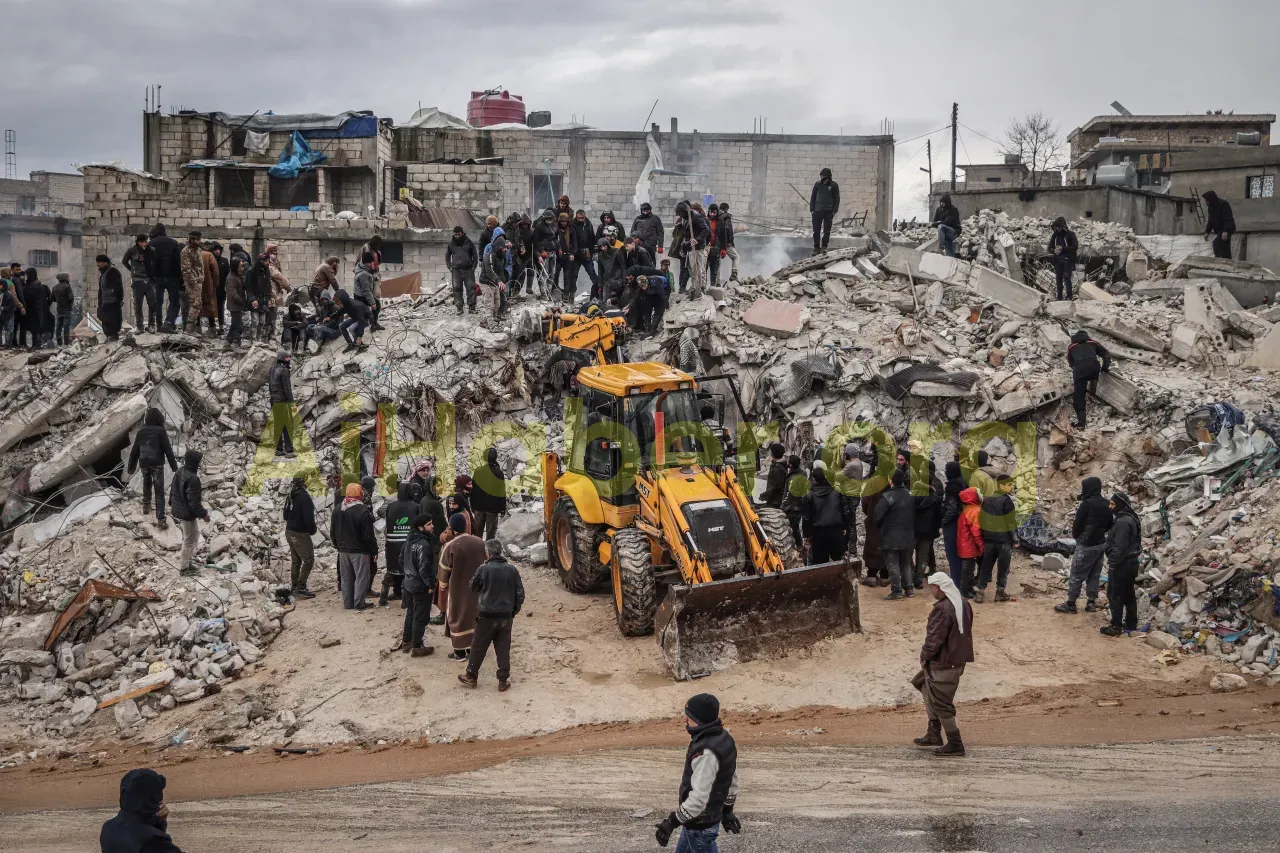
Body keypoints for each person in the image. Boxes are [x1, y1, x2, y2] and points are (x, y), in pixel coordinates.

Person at [653, 693, 741, 850]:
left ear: (701, 720)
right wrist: (727, 809)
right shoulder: (724, 738)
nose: (685, 720)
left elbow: (699, 799)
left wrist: (672, 822)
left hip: (700, 825)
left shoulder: (706, 754)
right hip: (697, 821)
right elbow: (731, 778)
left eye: (690, 717)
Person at [911, 572, 973, 757]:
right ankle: (933, 733)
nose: (932, 591)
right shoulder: (962, 602)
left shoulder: (943, 608)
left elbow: (934, 638)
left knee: (941, 702)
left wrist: (924, 656)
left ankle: (955, 743)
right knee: (924, 686)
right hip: (954, 660)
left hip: (944, 662)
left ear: (938, 587)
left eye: (932, 588)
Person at [458, 538, 525, 690]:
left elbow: (472, 586)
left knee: (478, 646)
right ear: (500, 551)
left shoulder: (483, 569)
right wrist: (513, 611)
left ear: (487, 553)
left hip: (486, 615)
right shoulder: (512, 570)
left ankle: (471, 675)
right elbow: (520, 594)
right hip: (505, 616)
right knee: (503, 647)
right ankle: (502, 680)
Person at [1055, 476, 1113, 615]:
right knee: (1094, 574)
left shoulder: (1086, 504)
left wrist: (1078, 537)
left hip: (1086, 544)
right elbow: (1110, 523)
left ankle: (1070, 603)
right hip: (1100, 543)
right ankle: (1091, 602)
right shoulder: (1106, 503)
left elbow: (1077, 524)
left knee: (1076, 574)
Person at [100, 767, 184, 853]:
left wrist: (158, 821)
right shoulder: (152, 839)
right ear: (153, 797)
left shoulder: (108, 828)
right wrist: (159, 822)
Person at [438, 513, 486, 660]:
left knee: (457, 618)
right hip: (478, 590)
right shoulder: (479, 542)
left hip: (457, 590)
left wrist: (443, 588)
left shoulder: (450, 546)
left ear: (452, 528)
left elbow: (443, 571)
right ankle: (473, 650)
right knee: (474, 617)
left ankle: (459, 653)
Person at [127, 407, 178, 528]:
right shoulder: (160, 431)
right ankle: (160, 518)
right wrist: (174, 467)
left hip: (144, 463)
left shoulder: (141, 431)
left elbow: (135, 450)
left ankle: (146, 506)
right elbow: (168, 450)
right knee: (159, 490)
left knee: (147, 483)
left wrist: (131, 467)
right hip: (157, 464)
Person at [1100, 492, 1142, 637]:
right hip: (1130, 563)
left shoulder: (1123, 522)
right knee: (1128, 594)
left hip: (1122, 564)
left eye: (1113, 504)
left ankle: (1115, 626)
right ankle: (1131, 624)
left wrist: (1113, 563)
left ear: (1120, 505)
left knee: (1115, 594)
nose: (1110, 507)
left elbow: (1120, 547)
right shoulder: (1130, 518)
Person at [873, 469, 916, 599]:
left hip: (891, 536)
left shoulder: (887, 497)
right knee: (906, 563)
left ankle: (896, 591)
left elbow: (877, 516)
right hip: (908, 535)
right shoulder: (910, 494)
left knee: (893, 564)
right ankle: (909, 589)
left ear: (890, 480)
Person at [333, 483, 376, 610]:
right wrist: (373, 551)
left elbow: (333, 531)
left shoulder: (338, 509)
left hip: (343, 550)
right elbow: (368, 535)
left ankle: (348, 603)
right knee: (361, 576)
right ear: (359, 494)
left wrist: (338, 545)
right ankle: (359, 603)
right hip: (359, 551)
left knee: (346, 577)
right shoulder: (363, 511)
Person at [973, 475, 1015, 603]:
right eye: (1009, 485)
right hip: (1004, 540)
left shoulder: (987, 499)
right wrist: (1016, 538)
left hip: (989, 538)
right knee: (1003, 567)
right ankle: (1000, 592)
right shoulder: (1007, 501)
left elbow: (982, 519)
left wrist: (984, 534)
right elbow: (1010, 522)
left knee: (986, 565)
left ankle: (980, 592)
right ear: (1001, 486)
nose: (1011, 487)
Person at [401, 514, 438, 656]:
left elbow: (400, 559)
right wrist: (431, 584)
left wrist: (408, 573)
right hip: (420, 586)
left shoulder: (409, 540)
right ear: (420, 527)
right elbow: (425, 569)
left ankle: (406, 641)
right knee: (420, 616)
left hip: (408, 583)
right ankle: (417, 646)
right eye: (429, 524)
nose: (432, 526)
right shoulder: (424, 545)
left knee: (410, 612)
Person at [169, 450, 208, 576]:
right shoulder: (193, 478)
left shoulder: (181, 470)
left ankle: (189, 560)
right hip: (186, 513)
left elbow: (173, 489)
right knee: (189, 540)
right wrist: (204, 514)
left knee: (195, 535)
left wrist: (172, 503)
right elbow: (194, 502)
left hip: (181, 509)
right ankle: (185, 568)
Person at [801, 468, 852, 564]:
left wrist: (806, 535)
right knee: (840, 560)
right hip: (836, 531)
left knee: (820, 562)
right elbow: (845, 511)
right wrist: (845, 527)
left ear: (814, 479)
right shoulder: (837, 491)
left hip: (818, 533)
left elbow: (806, 518)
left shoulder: (809, 496)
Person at [379, 482, 418, 607]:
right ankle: (405, 601)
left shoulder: (391, 506)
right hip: (408, 543)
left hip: (392, 543)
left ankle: (384, 596)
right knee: (408, 570)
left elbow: (383, 516)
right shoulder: (416, 507)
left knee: (392, 569)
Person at [1066, 330, 1111, 429]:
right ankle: (1093, 389)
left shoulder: (1071, 347)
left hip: (1080, 371)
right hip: (1094, 369)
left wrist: (1077, 367)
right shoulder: (1093, 343)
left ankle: (1081, 423)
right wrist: (1105, 368)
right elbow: (1106, 354)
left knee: (1079, 397)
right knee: (1093, 375)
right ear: (1086, 336)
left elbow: (1070, 362)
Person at [912, 460, 944, 592]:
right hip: (928, 529)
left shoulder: (914, 494)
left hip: (914, 528)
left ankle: (913, 576)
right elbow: (939, 512)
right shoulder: (935, 495)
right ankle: (918, 578)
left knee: (911, 553)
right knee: (923, 554)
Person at [283, 477, 316, 599]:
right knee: (308, 559)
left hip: (289, 531)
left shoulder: (290, 495)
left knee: (296, 560)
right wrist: (312, 530)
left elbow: (285, 515)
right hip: (300, 533)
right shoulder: (304, 497)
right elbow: (309, 517)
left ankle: (294, 585)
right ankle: (301, 587)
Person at [148, 223, 183, 333]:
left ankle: (158, 325)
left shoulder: (151, 244)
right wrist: (179, 277)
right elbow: (178, 261)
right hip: (172, 277)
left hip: (156, 277)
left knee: (158, 301)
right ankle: (168, 322)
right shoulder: (173, 243)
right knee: (174, 301)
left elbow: (147, 262)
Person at [674, 201, 710, 298]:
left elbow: (706, 230)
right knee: (691, 269)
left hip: (697, 248)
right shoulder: (685, 219)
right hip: (689, 247)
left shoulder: (696, 217)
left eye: (681, 213)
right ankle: (694, 288)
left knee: (697, 270)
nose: (680, 216)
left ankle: (698, 292)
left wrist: (697, 240)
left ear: (685, 211)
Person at [122, 234, 157, 333]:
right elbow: (124, 261)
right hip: (137, 281)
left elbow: (155, 262)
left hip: (149, 280)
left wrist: (152, 274)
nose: (144, 244)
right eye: (141, 242)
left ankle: (151, 325)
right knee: (138, 305)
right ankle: (140, 327)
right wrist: (132, 271)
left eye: (145, 242)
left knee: (152, 303)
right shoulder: (131, 251)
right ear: (137, 242)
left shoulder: (152, 250)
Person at [471, 447, 507, 541]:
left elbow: (473, 489)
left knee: (477, 534)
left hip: (478, 507)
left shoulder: (478, 471)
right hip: (492, 508)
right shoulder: (499, 473)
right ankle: (489, 553)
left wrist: (472, 505)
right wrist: (502, 508)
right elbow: (501, 492)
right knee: (490, 536)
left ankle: (477, 551)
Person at [939, 461, 965, 586]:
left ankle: (956, 582)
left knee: (952, 553)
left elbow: (951, 508)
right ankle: (962, 581)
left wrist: (943, 521)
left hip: (952, 523)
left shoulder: (952, 487)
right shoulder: (962, 483)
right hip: (961, 521)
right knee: (960, 553)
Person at [955, 486, 983, 597]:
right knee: (968, 570)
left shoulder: (967, 509)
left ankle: (967, 589)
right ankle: (964, 592)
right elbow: (976, 531)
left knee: (967, 569)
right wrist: (981, 546)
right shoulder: (975, 511)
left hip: (963, 544)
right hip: (969, 546)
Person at [267, 352, 295, 457]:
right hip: (282, 400)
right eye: (288, 358)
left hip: (273, 400)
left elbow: (270, 387)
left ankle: (278, 449)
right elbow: (287, 388)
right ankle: (289, 451)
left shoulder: (271, 370)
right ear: (283, 359)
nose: (289, 360)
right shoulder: (284, 371)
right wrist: (292, 403)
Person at [178, 231, 205, 334]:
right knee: (196, 304)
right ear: (192, 239)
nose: (199, 241)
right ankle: (189, 330)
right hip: (192, 282)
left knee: (196, 304)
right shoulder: (186, 251)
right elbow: (185, 269)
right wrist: (193, 281)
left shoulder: (197, 249)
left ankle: (191, 329)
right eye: (197, 239)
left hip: (198, 280)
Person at [810, 168, 841, 254]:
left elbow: (837, 199)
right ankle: (816, 248)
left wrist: (834, 211)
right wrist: (812, 209)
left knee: (826, 231)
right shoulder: (817, 184)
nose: (822, 177)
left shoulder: (834, 185)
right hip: (817, 211)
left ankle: (824, 247)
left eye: (823, 175)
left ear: (828, 176)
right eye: (821, 175)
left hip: (828, 212)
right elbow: (813, 197)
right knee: (816, 231)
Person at [780, 454, 808, 551]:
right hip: (800, 504)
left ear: (791, 465)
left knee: (790, 529)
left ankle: (793, 548)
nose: (786, 462)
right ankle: (799, 547)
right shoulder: (803, 473)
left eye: (788, 461)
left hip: (792, 508)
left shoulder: (792, 479)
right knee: (795, 528)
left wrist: (782, 507)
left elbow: (789, 495)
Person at [93, 257, 124, 342]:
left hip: (113, 301)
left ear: (104, 262)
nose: (97, 264)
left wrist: (119, 299)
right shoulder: (104, 273)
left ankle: (113, 337)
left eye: (99, 262)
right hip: (105, 302)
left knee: (112, 320)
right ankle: (109, 336)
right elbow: (101, 290)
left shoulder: (113, 271)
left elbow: (119, 287)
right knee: (105, 319)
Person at [446, 226, 478, 309]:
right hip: (456, 270)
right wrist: (449, 267)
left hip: (468, 270)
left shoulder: (469, 243)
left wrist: (473, 267)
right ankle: (459, 308)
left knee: (471, 289)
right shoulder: (451, 244)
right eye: (455, 234)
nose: (457, 236)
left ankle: (472, 307)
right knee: (457, 290)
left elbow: (475, 255)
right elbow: (447, 255)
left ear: (462, 233)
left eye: (459, 234)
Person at [1048, 217, 1078, 301]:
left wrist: (1062, 248)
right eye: (1055, 227)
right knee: (1059, 279)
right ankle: (1059, 297)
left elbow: (1075, 247)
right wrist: (1053, 250)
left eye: (1058, 227)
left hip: (1067, 260)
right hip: (1058, 260)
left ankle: (1069, 296)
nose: (1057, 229)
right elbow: (1050, 247)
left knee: (1067, 277)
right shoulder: (1055, 235)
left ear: (1062, 226)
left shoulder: (1070, 234)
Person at [334, 286, 370, 352]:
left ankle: (361, 346)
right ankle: (351, 345)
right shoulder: (345, 304)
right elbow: (339, 312)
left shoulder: (355, 306)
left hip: (366, 318)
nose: (338, 306)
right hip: (356, 317)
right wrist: (330, 317)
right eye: (337, 304)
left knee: (352, 328)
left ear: (344, 300)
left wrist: (360, 336)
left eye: (339, 304)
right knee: (341, 326)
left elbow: (361, 321)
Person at [570, 209, 597, 297]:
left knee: (592, 272)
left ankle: (598, 290)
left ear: (584, 217)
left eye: (582, 218)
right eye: (579, 218)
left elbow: (592, 238)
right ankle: (571, 293)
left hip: (587, 252)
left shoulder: (588, 224)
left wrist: (594, 252)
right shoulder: (573, 225)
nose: (581, 220)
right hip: (577, 253)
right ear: (576, 217)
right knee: (574, 274)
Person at [1202, 191, 1236, 259]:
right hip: (1220, 230)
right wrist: (1207, 232)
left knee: (1217, 243)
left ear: (1211, 199)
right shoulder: (1211, 207)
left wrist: (1226, 231)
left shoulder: (1223, 204)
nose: (1206, 202)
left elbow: (1228, 218)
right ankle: (1227, 261)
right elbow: (1211, 220)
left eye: (1207, 200)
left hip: (1228, 228)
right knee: (1225, 247)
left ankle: (1218, 260)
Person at [22, 268, 50, 348]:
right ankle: (36, 344)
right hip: (39, 310)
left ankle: (37, 344)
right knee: (36, 328)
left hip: (34, 310)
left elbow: (27, 297)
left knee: (35, 328)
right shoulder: (41, 286)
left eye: (27, 275)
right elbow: (50, 298)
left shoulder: (31, 286)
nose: (26, 277)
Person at [553, 213, 579, 300]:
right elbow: (554, 241)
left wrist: (572, 253)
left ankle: (566, 294)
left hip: (568, 255)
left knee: (567, 275)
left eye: (565, 221)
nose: (563, 223)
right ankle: (554, 290)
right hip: (558, 256)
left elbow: (575, 243)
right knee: (555, 273)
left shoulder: (571, 230)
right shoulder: (556, 230)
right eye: (562, 221)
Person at [596, 237, 627, 307]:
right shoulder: (600, 255)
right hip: (606, 281)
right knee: (605, 303)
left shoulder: (617, 251)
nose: (603, 248)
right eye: (601, 247)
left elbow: (623, 267)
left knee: (618, 301)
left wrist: (624, 281)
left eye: (604, 246)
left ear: (607, 244)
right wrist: (600, 285)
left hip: (617, 280)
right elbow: (600, 271)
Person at [224, 258, 247, 347]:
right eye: (240, 266)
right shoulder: (231, 278)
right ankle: (236, 342)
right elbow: (232, 293)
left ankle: (228, 342)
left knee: (234, 324)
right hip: (234, 305)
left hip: (237, 305)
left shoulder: (238, 276)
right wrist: (242, 301)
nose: (242, 268)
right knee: (239, 325)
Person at [758, 443, 787, 509]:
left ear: (773, 453)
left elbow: (776, 486)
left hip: (774, 501)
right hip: (773, 498)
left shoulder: (778, 469)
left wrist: (765, 494)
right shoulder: (778, 464)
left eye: (771, 450)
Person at [208, 242, 229, 334]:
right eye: (216, 249)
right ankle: (212, 326)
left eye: (219, 249)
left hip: (221, 289)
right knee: (210, 307)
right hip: (211, 289)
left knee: (220, 308)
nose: (217, 251)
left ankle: (221, 327)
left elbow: (227, 274)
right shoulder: (209, 260)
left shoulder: (224, 261)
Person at [706, 206, 728, 285]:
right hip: (705, 248)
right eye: (710, 212)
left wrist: (724, 249)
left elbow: (723, 236)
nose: (712, 214)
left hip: (716, 248)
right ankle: (702, 287)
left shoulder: (720, 221)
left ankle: (712, 286)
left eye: (714, 212)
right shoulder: (705, 220)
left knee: (714, 269)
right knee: (704, 269)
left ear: (717, 212)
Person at [717, 203, 739, 282]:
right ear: (726, 209)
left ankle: (717, 282)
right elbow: (727, 231)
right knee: (736, 257)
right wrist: (729, 242)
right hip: (726, 244)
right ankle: (734, 274)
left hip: (717, 243)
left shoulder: (716, 216)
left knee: (717, 262)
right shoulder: (726, 217)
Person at [50, 273, 74, 346]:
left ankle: (59, 343)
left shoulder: (55, 287)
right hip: (67, 310)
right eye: (68, 277)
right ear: (65, 278)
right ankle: (66, 343)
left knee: (58, 327)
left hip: (59, 310)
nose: (69, 278)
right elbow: (71, 298)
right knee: (66, 326)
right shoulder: (67, 287)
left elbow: (52, 298)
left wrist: (59, 301)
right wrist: (70, 306)